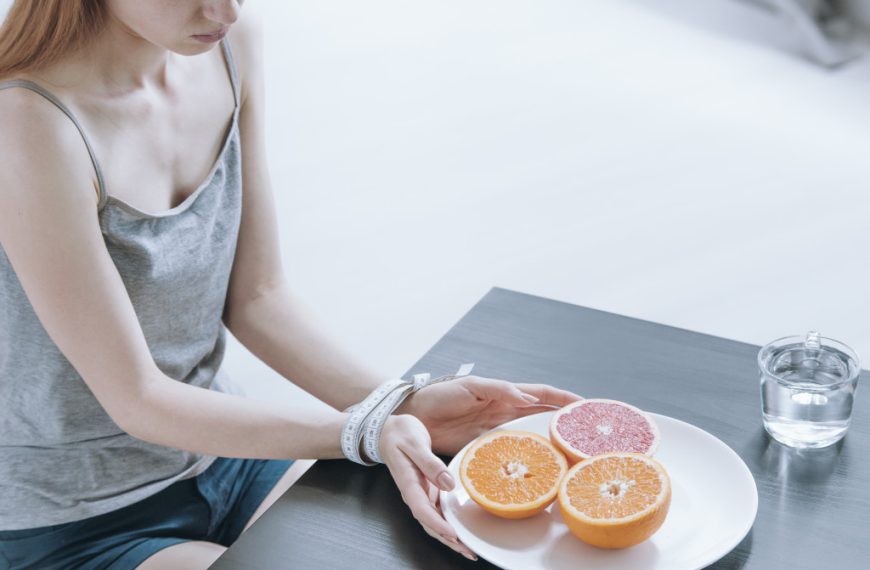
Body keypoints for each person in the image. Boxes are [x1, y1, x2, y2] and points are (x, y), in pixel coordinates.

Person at [0, 1, 581, 568]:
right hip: (72, 519)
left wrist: (402, 401)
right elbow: (137, 398)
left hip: (225, 453)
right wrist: (365, 428)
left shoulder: (229, 48)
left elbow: (257, 297)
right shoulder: (27, 124)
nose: (224, 10)